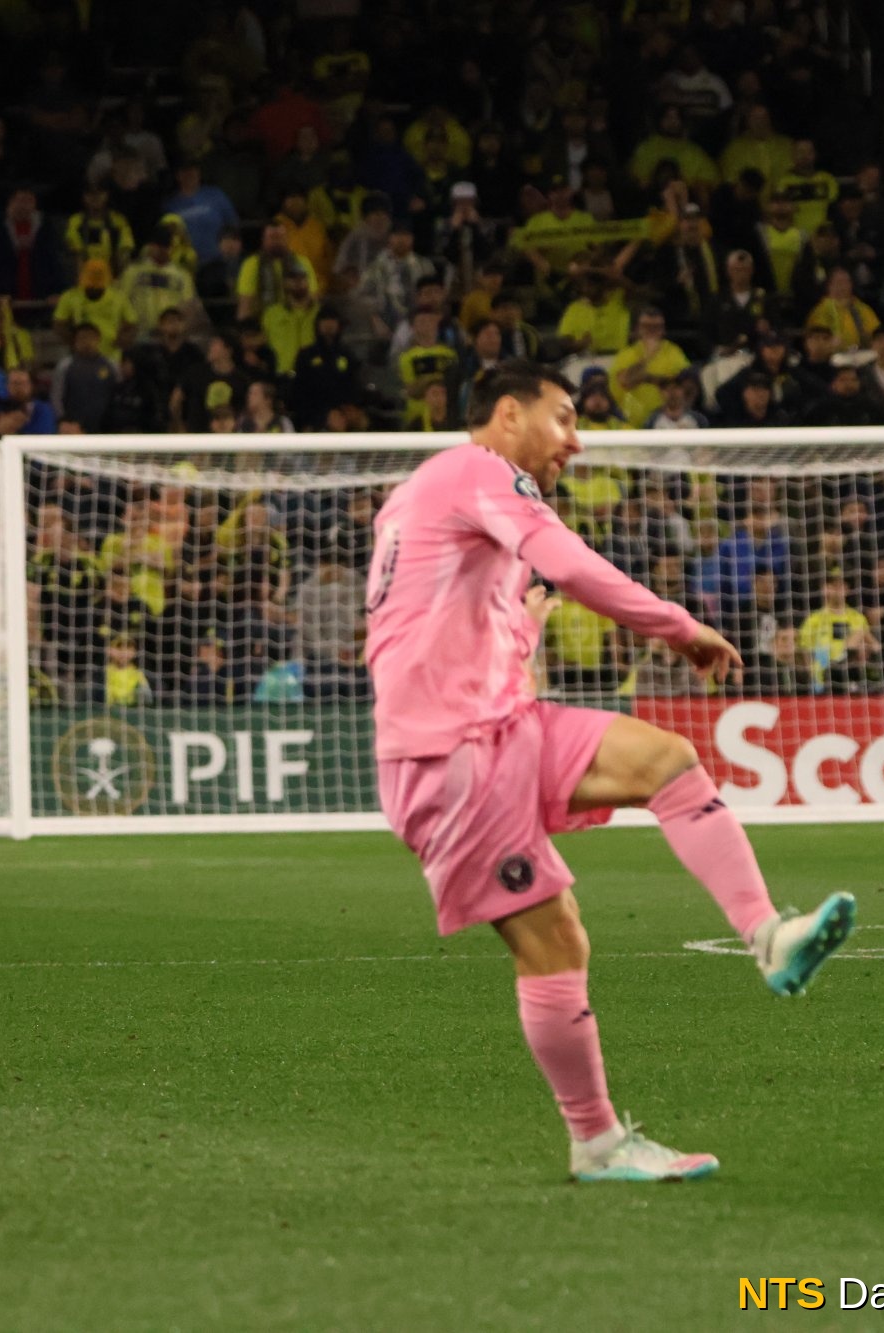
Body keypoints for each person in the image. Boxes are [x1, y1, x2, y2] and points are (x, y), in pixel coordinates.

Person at [364, 362, 856, 1183]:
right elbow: (573, 561)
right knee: (554, 942)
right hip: (448, 757)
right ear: (508, 413)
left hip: (497, 728)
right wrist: (679, 626)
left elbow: (424, 622)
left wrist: (515, 627)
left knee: (667, 760)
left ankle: (772, 937)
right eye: (562, 418)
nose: (575, 439)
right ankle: (595, 1141)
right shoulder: (479, 471)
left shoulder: (422, 495)